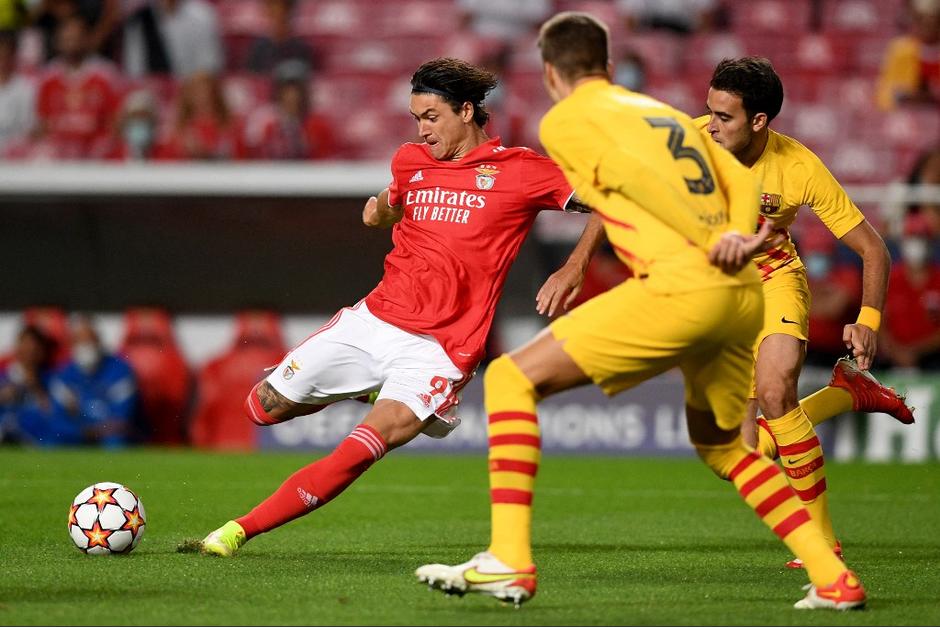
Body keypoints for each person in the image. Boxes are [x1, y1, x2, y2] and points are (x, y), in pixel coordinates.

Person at [417, 12, 865, 611]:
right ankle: (833, 576)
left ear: (552, 72)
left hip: (681, 286)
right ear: (605, 64)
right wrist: (733, 235)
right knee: (726, 447)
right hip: (741, 291)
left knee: (508, 377)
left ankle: (509, 560)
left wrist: (674, 242)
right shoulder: (663, 115)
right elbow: (732, 184)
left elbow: (626, 189)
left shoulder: (569, 121)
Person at [196, 57, 606, 558]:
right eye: (416, 119)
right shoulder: (410, 160)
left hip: (441, 350)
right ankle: (365, 388)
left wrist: (575, 265)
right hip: (375, 321)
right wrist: (380, 211)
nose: (422, 130)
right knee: (261, 408)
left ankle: (236, 531)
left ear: (468, 111)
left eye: (431, 117)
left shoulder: (520, 170)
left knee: (362, 447)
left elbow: (614, 197)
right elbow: (392, 200)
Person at [698, 57, 912, 568]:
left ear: (759, 121)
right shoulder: (689, 144)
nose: (710, 124)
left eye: (724, 117)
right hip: (719, 294)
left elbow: (874, 248)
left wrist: (869, 319)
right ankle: (846, 393)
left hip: (775, 281)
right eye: (708, 111)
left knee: (776, 393)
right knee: (738, 461)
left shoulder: (798, 165)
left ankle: (821, 544)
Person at [49, 315, 139, 448]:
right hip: (77, 434)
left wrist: (93, 430)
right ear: (71, 344)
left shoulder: (121, 371)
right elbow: (57, 419)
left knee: (116, 443)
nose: (85, 346)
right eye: (79, 340)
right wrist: (82, 431)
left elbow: (121, 418)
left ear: (99, 342)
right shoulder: (63, 376)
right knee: (52, 440)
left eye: (89, 340)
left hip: (109, 435)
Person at [881, 213, 940, 369]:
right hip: (892, 359)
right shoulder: (890, 278)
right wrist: (895, 351)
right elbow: (879, 320)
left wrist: (915, 351)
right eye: (912, 238)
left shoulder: (938, 279)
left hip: (931, 359)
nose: (917, 245)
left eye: (922, 238)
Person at [876, 0, 940, 111]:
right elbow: (884, 97)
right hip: (909, 119)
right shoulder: (901, 50)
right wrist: (908, 96)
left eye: (934, 18)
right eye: (920, 19)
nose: (928, 25)